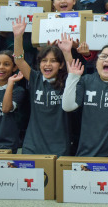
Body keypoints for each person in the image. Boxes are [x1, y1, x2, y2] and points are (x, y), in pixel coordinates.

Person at [12, 17, 72, 155]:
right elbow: (19, 60)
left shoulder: (67, 81)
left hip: (59, 145)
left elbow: (73, 70)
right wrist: (18, 37)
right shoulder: (35, 78)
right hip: (33, 144)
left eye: (53, 61)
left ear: (61, 65)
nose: (48, 64)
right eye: (44, 61)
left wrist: (67, 52)